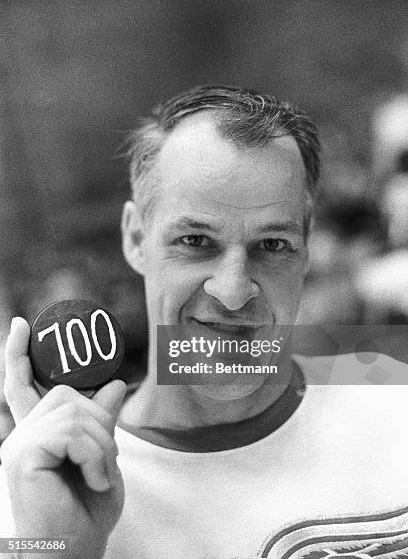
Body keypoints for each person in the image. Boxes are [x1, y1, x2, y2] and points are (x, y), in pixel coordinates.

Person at [1, 86, 408, 558]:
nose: (233, 291)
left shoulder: (389, 385)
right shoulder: (32, 497)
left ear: (306, 249)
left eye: (272, 244)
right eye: (196, 241)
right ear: (136, 238)